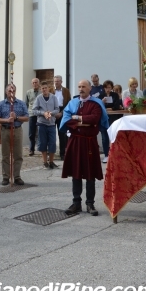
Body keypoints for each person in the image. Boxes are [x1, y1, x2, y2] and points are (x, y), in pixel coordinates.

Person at [61, 79, 109, 216]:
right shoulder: (73, 102)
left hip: (89, 143)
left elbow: (94, 119)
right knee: (75, 172)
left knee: (90, 174)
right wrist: (82, 121)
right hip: (75, 141)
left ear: (90, 89)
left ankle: (90, 203)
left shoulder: (96, 103)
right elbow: (67, 119)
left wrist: (77, 119)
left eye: (83, 86)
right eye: (79, 86)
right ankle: (76, 203)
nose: (81, 89)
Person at [0, 84, 29, 186]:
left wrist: (17, 117)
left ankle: (17, 176)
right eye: (9, 91)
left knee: (18, 155)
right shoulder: (1, 104)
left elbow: (27, 117)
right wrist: (6, 120)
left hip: (17, 130)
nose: (11, 93)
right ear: (6, 92)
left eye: (13, 91)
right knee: (5, 155)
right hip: (5, 130)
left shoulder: (21, 103)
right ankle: (6, 177)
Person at [33, 82, 61, 169]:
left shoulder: (54, 97)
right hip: (42, 123)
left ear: (48, 88)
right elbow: (34, 110)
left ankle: (51, 161)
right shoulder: (38, 98)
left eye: (45, 88)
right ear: (41, 89)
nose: (44, 90)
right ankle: (45, 162)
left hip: (51, 123)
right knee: (43, 142)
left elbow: (57, 109)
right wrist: (43, 113)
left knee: (52, 142)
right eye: (42, 88)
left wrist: (50, 113)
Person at [100, 80, 122, 163]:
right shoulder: (101, 96)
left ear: (111, 88)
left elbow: (117, 105)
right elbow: (98, 106)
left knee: (114, 136)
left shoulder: (115, 95)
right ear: (104, 88)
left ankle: (115, 154)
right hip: (104, 119)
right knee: (104, 137)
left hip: (113, 118)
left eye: (109, 87)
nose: (107, 89)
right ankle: (106, 155)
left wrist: (109, 108)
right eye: (106, 88)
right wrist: (102, 102)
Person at [53, 75, 71, 160]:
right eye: (55, 81)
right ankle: (51, 153)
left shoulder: (66, 91)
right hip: (52, 112)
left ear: (61, 82)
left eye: (58, 81)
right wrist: (54, 113)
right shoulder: (50, 90)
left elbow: (69, 103)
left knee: (62, 134)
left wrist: (61, 113)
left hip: (62, 111)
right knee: (52, 134)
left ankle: (62, 153)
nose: (56, 83)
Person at [25, 78, 41, 157]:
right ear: (32, 84)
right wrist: (26, 114)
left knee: (41, 132)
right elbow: (26, 104)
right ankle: (31, 149)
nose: (35, 84)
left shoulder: (42, 92)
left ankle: (42, 148)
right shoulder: (28, 92)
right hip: (32, 114)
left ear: (39, 83)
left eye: (36, 82)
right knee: (32, 133)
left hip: (40, 114)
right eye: (33, 82)